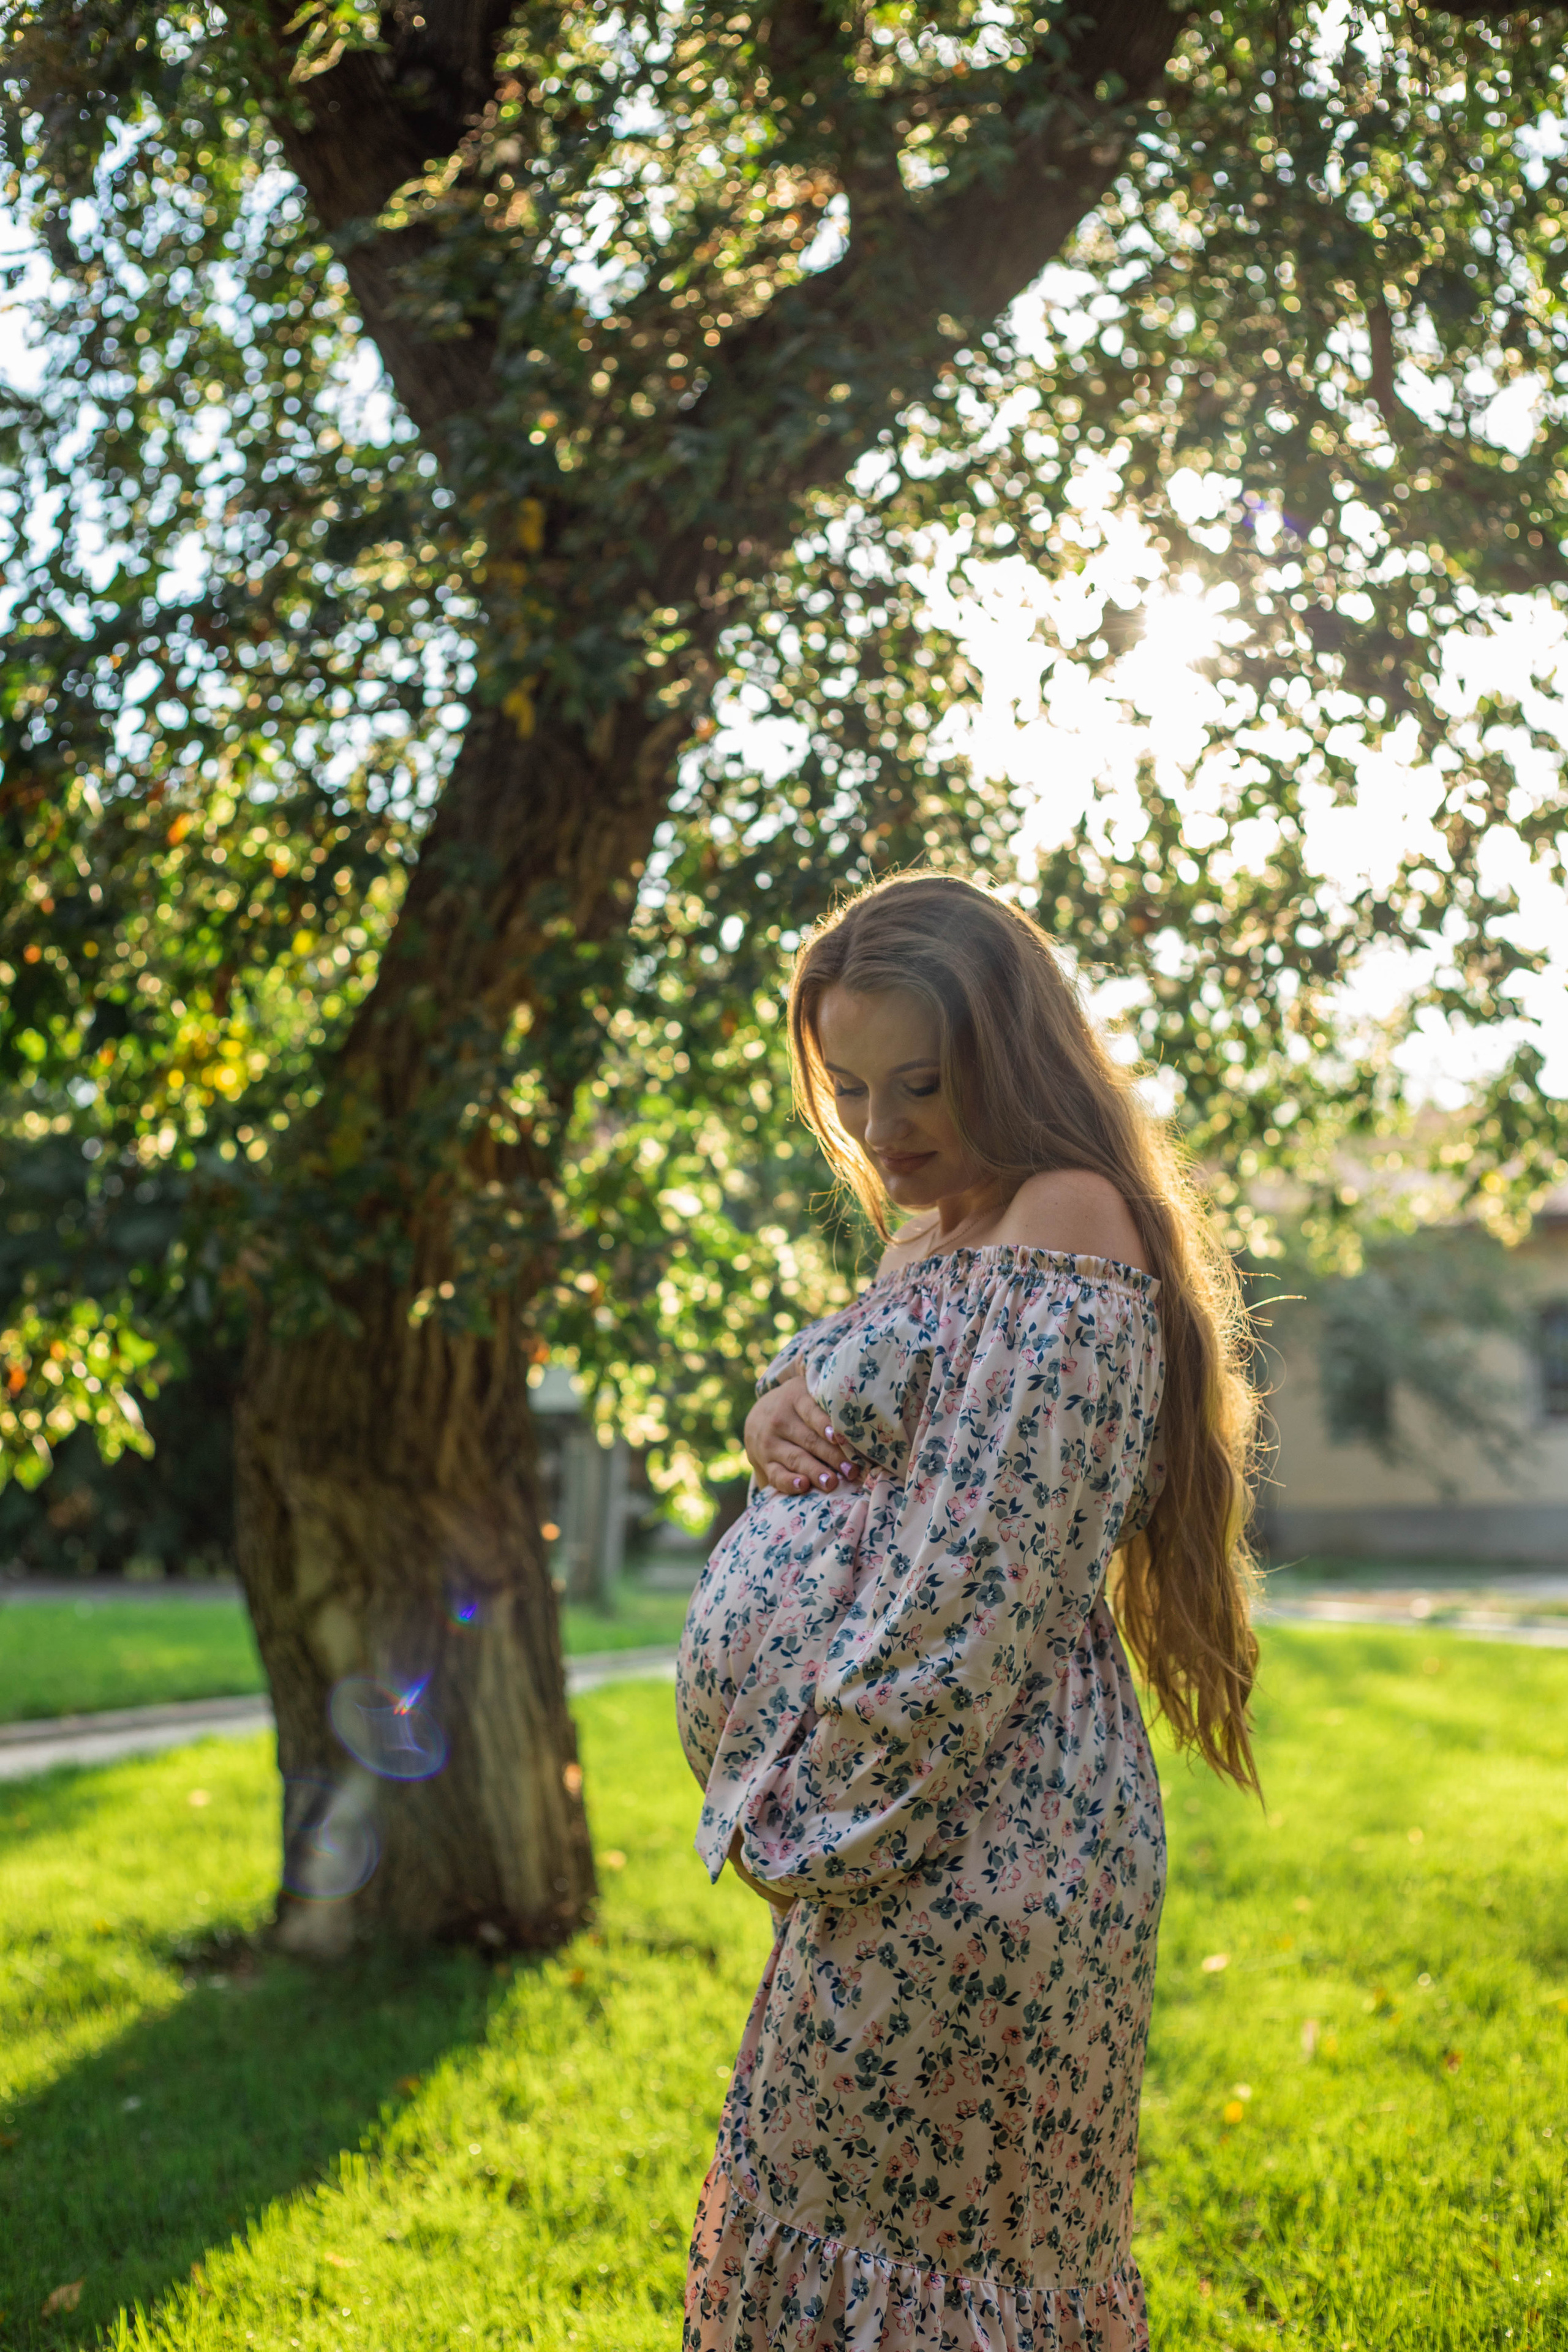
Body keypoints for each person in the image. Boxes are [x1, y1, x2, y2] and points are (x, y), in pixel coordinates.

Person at [677, 872, 1260, 2352]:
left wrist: (811, 1818)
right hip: (899, 1830)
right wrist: (771, 1417)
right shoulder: (928, 1239)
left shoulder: (1068, 1218)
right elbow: (872, 1432)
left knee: (942, 2250)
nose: (880, 1132)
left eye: (921, 1084)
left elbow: (978, 1587)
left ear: (1013, 1050)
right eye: (852, 1088)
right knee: (833, 2206)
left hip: (975, 1826)